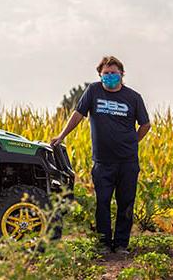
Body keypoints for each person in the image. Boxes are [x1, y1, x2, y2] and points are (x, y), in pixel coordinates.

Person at [50, 56, 151, 255]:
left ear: (122, 74)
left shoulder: (133, 97)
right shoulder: (93, 91)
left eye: (114, 73)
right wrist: (61, 135)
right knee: (102, 202)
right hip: (103, 162)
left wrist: (132, 142)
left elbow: (145, 125)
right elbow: (78, 114)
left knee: (126, 203)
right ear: (100, 75)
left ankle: (121, 244)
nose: (110, 76)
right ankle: (104, 244)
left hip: (128, 162)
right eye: (106, 73)